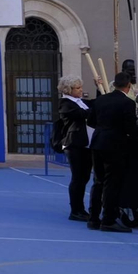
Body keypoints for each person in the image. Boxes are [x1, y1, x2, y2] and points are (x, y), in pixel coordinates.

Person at [88, 72, 138, 233]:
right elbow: (131, 129)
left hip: (98, 142)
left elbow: (91, 121)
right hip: (115, 146)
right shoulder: (128, 103)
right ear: (129, 86)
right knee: (112, 183)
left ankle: (94, 218)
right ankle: (109, 219)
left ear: (114, 85)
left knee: (98, 181)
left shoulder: (100, 100)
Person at [56, 76, 97, 222]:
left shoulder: (80, 102)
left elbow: (95, 104)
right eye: (77, 88)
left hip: (85, 144)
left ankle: (80, 209)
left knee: (84, 177)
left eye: (81, 87)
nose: (81, 90)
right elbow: (83, 114)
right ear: (69, 90)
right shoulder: (65, 103)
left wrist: (98, 87)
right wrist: (95, 109)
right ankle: (76, 210)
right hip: (74, 145)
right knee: (78, 178)